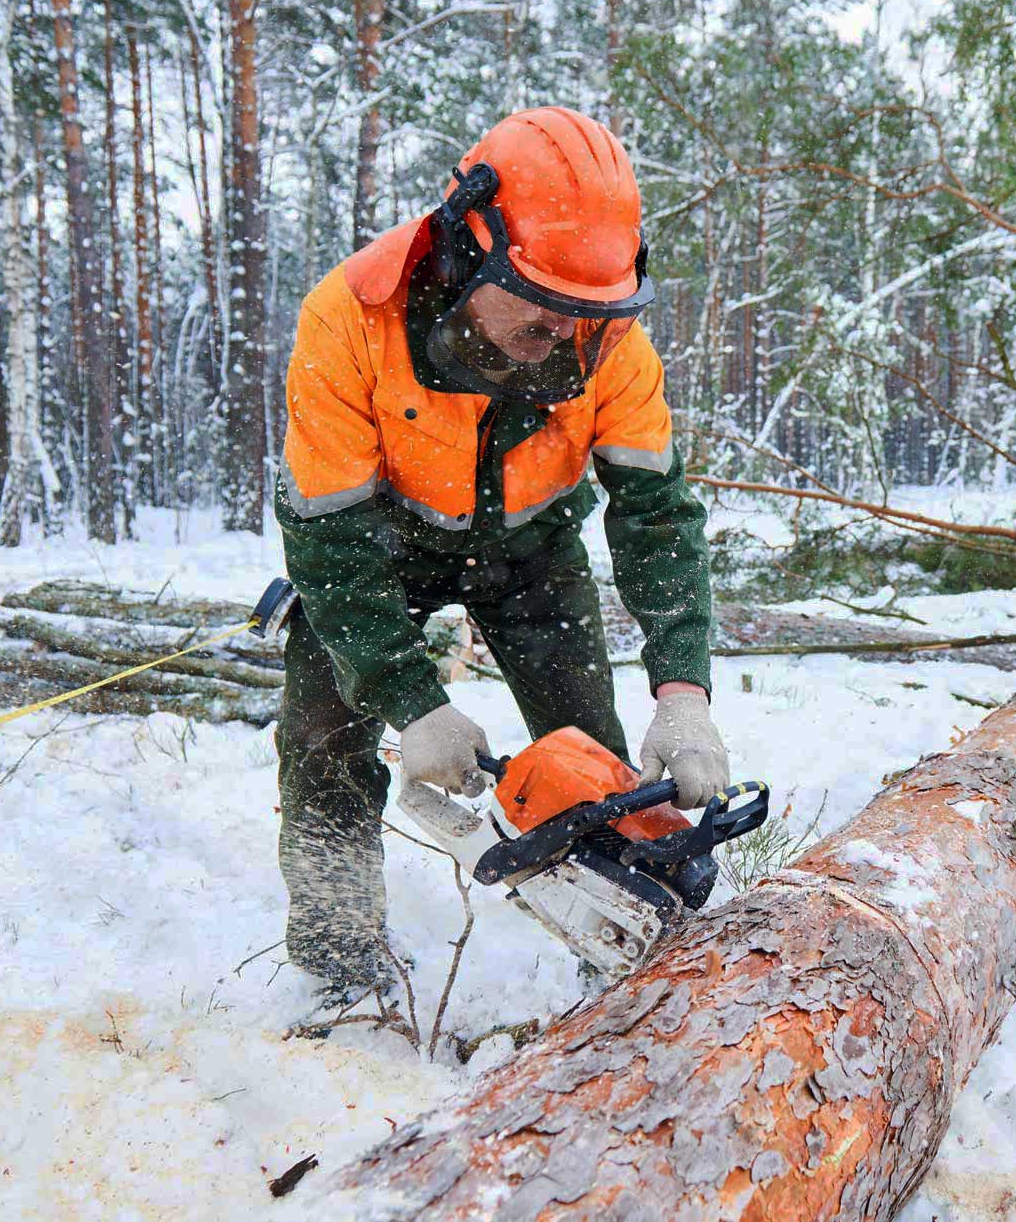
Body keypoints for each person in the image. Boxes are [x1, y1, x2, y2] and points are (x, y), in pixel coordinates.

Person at [273, 106, 727, 991]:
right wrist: (411, 697)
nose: (565, 339)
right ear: (469, 246)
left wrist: (684, 691)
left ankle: (634, 956)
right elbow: (328, 545)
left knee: (590, 759)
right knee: (323, 732)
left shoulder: (611, 347)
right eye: (544, 311)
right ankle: (338, 955)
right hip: (382, 550)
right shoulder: (348, 320)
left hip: (531, 553)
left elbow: (659, 515)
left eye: (587, 317)